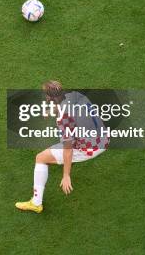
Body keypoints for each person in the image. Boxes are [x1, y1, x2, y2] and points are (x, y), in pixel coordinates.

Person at [15, 80, 109, 213]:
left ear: (48, 97)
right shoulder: (76, 95)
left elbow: (68, 149)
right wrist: (51, 110)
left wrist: (66, 175)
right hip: (103, 138)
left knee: (41, 158)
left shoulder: (64, 119)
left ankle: (36, 203)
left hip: (90, 148)